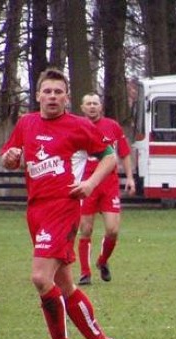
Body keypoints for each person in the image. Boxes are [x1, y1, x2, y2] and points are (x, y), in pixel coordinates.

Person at [0, 68, 121, 339]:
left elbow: (110, 157)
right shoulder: (26, 123)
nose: (52, 96)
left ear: (67, 97)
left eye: (58, 92)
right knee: (64, 285)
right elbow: (8, 157)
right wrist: (11, 158)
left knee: (41, 278)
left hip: (63, 208)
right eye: (47, 91)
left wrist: (91, 184)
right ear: (38, 94)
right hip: (36, 211)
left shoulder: (78, 126)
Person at [76, 92, 136, 285]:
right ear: (82, 108)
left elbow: (124, 153)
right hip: (86, 183)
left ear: (101, 107)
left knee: (112, 230)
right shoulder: (76, 127)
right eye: (88, 104)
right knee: (86, 228)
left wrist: (129, 178)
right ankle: (85, 273)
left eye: (95, 103)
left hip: (109, 184)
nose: (92, 107)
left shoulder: (112, 126)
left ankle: (102, 261)